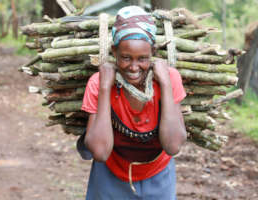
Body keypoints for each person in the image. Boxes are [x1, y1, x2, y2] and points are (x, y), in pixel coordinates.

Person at [79, 5, 187, 200]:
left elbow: (173, 146)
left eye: (143, 58)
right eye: (126, 58)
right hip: (110, 176)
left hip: (159, 174)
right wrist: (105, 88)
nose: (134, 67)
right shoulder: (99, 83)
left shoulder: (169, 78)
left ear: (153, 52)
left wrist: (165, 83)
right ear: (114, 52)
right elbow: (100, 152)